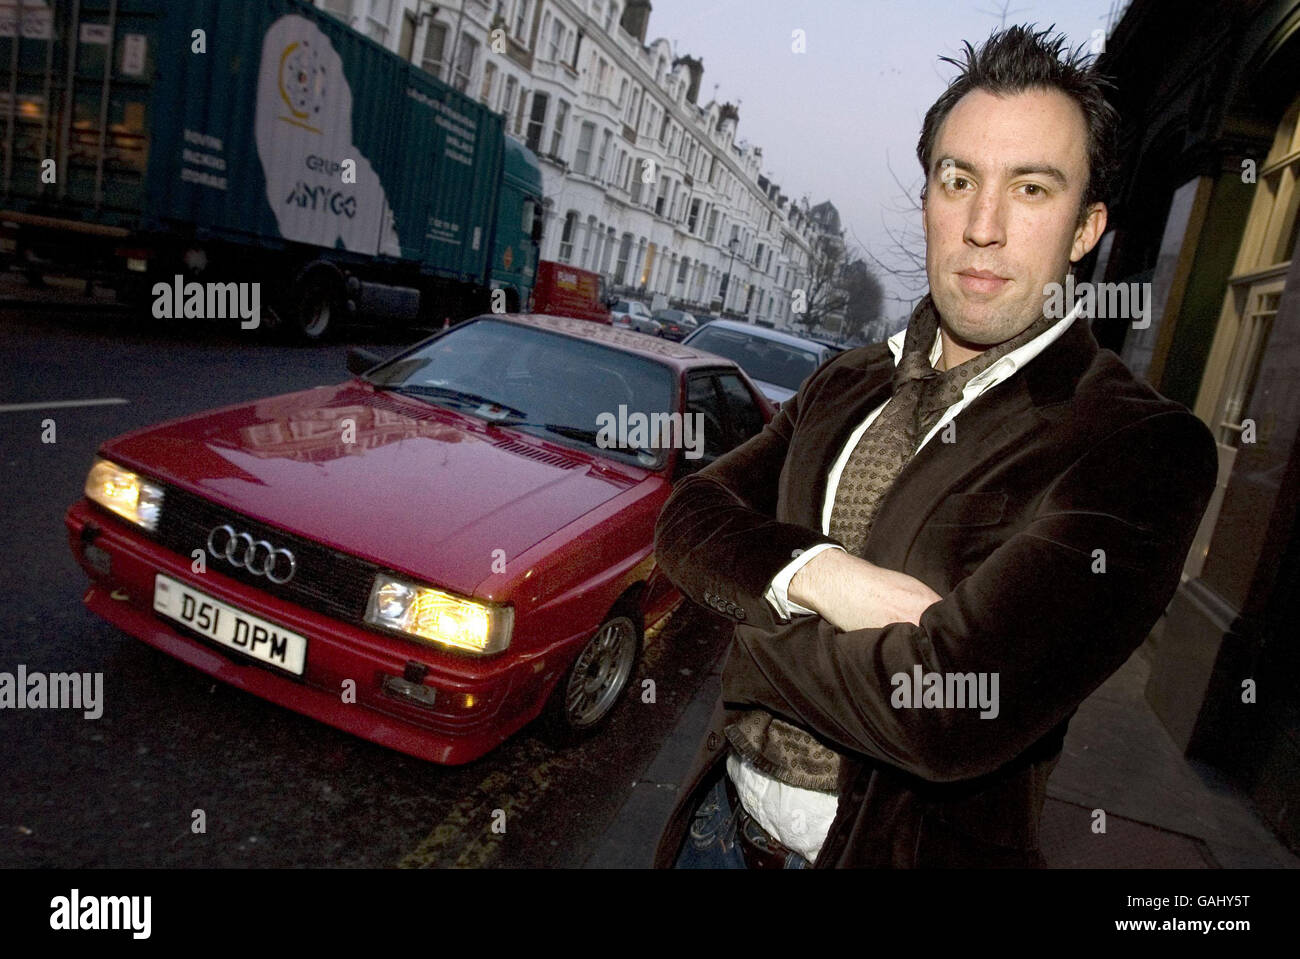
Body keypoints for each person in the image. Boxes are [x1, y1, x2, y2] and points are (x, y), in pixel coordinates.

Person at [651, 24, 1219, 869]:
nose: (982, 226)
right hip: (718, 834)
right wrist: (825, 576)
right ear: (927, 199)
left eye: (1031, 189)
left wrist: (746, 635)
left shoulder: (1139, 444)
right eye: (959, 180)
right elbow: (689, 518)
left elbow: (948, 710)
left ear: (1086, 227)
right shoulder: (842, 380)